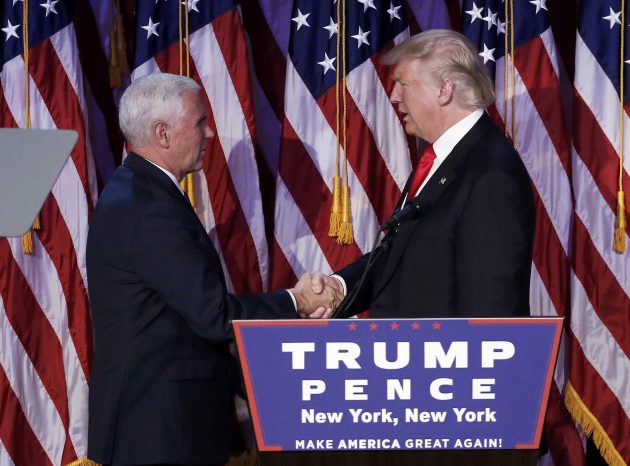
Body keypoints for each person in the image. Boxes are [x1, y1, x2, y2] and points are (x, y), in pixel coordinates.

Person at [86, 73, 340, 465]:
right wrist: (297, 300)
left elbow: (183, 316)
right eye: (200, 122)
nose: (209, 133)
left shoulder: (139, 192)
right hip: (161, 432)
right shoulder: (149, 208)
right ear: (162, 133)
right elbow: (214, 315)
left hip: (164, 424)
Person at [312, 29, 535, 319]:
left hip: (447, 349)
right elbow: (398, 256)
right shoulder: (440, 158)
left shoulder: (490, 172)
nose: (394, 96)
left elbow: (491, 305)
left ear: (444, 90)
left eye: (403, 84)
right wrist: (339, 287)